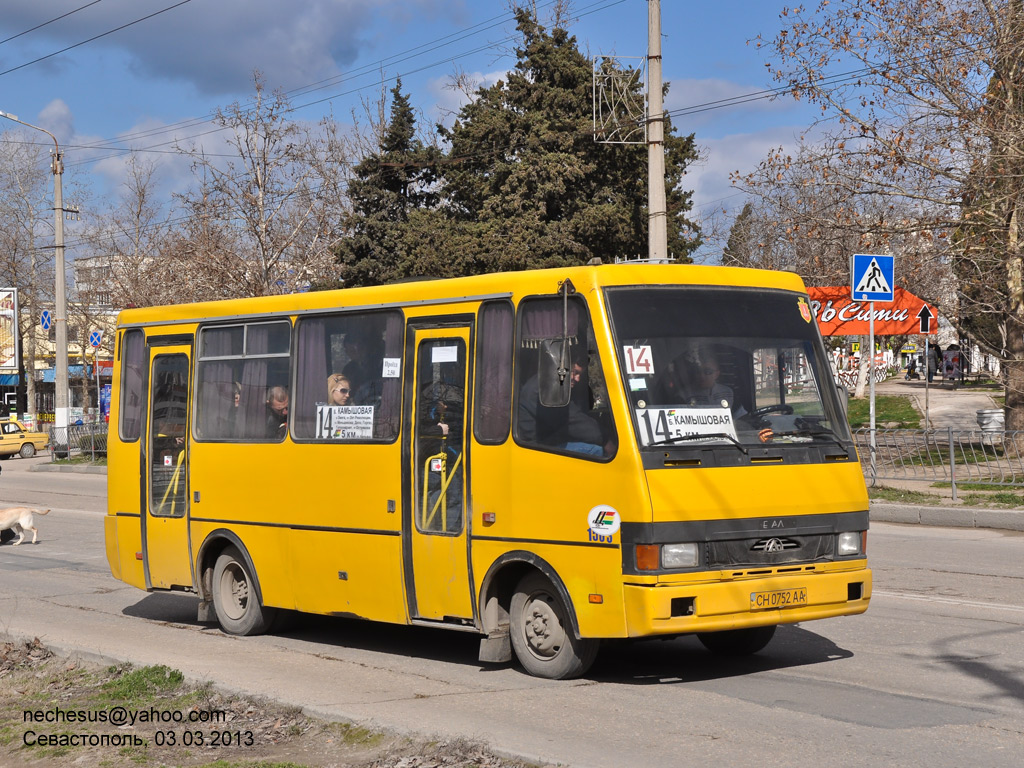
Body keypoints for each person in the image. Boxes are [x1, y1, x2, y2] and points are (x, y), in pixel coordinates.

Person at [518, 351, 608, 457]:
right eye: (575, 372)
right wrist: (605, 439)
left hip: (547, 441)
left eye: (580, 375)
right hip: (538, 448)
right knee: (598, 451)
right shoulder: (547, 389)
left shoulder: (544, 382)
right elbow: (572, 420)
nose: (577, 379)